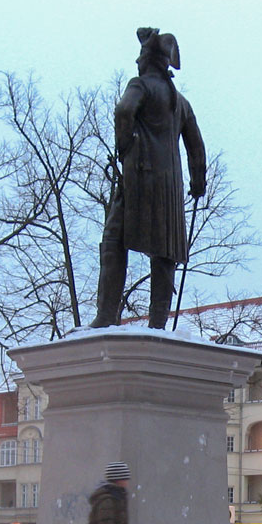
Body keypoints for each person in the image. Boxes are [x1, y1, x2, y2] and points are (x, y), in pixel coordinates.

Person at [91, 27, 206, 330]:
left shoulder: (140, 85)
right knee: (165, 252)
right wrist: (198, 183)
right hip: (169, 190)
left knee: (115, 240)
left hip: (139, 179)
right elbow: (196, 147)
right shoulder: (180, 102)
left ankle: (105, 316)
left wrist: (124, 146)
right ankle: (158, 323)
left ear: (147, 61)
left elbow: (123, 111)